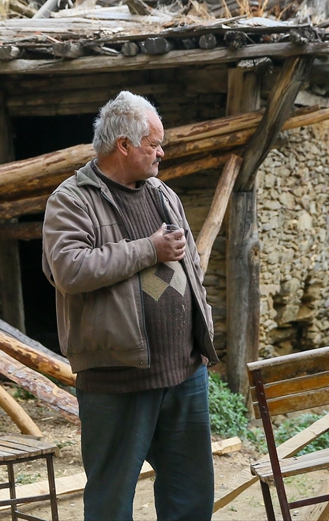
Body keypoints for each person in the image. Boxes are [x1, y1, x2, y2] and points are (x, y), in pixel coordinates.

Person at [43, 91, 217, 521]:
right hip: (117, 378)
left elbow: (191, 264)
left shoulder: (162, 193)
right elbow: (69, 269)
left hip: (183, 372)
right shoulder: (72, 199)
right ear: (124, 145)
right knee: (111, 499)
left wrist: (202, 325)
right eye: (153, 144)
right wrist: (149, 249)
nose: (162, 152)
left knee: (191, 493)